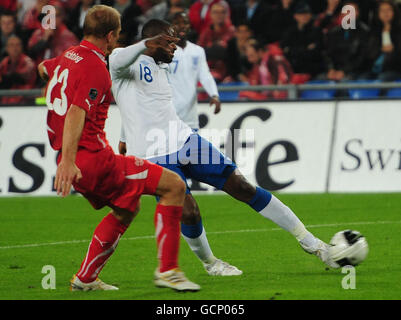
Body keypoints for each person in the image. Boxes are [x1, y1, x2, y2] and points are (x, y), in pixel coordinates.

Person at [112, 19, 339, 279]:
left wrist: (123, 133)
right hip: (153, 154)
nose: (175, 48)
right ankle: (211, 263)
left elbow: (140, 104)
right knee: (188, 210)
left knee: (242, 186)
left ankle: (312, 243)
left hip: (185, 140)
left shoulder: (160, 67)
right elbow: (119, 63)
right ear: (156, 41)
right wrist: (147, 44)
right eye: (171, 43)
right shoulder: (122, 57)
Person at [38, 5, 199, 292]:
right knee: (174, 186)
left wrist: (65, 157)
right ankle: (169, 270)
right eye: (118, 35)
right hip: (93, 160)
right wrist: (70, 161)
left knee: (126, 209)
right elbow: (77, 111)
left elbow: (43, 69)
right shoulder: (96, 67)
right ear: (111, 35)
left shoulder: (67, 56)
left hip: (74, 158)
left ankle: (86, 279)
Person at [113, 18, 241, 276]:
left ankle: (178, 268)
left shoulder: (185, 55)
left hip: (184, 131)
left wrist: (214, 93)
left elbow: (155, 102)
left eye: (178, 33)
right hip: (152, 148)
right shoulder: (132, 61)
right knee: (175, 207)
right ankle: (181, 267)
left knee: (227, 187)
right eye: (170, 38)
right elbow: (135, 104)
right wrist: (126, 135)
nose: (175, 42)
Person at [325, 1, 370, 81]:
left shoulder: (365, 32)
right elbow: (327, 54)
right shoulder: (333, 32)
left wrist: (344, 71)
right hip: (335, 71)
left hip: (357, 72)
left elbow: (362, 57)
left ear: (358, 13)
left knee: (344, 83)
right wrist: (331, 69)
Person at [362, 0, 401, 81]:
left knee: (381, 80)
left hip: (394, 70)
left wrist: (392, 51)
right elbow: (367, 54)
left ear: (394, 12)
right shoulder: (373, 32)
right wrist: (380, 50)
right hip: (373, 70)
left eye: (389, 10)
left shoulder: (398, 31)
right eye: (382, 10)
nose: (385, 13)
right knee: (362, 79)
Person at [0, 35, 36, 104]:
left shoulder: (28, 62)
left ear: (21, 47)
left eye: (17, 45)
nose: (15, 48)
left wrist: (5, 78)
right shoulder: (4, 62)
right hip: (6, 101)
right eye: (11, 45)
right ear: (7, 48)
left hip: (25, 101)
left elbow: (18, 78)